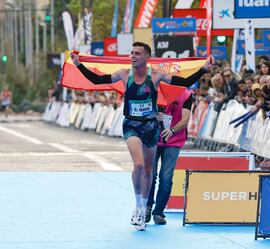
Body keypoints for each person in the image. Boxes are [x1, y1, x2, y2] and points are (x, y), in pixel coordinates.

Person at [71, 42, 214, 231]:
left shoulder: (156, 76)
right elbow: (98, 80)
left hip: (150, 127)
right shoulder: (124, 74)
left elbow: (185, 83)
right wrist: (79, 65)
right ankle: (139, 206)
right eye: (131, 52)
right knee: (138, 164)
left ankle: (145, 205)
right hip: (131, 125)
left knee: (148, 171)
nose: (132, 56)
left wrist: (204, 68)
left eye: (137, 53)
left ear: (146, 57)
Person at [145, 89, 193, 225]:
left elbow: (185, 119)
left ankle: (159, 212)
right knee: (150, 175)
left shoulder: (186, 94)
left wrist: (172, 130)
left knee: (166, 177)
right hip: (152, 139)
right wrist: (153, 115)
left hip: (173, 140)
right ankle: (147, 207)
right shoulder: (151, 89)